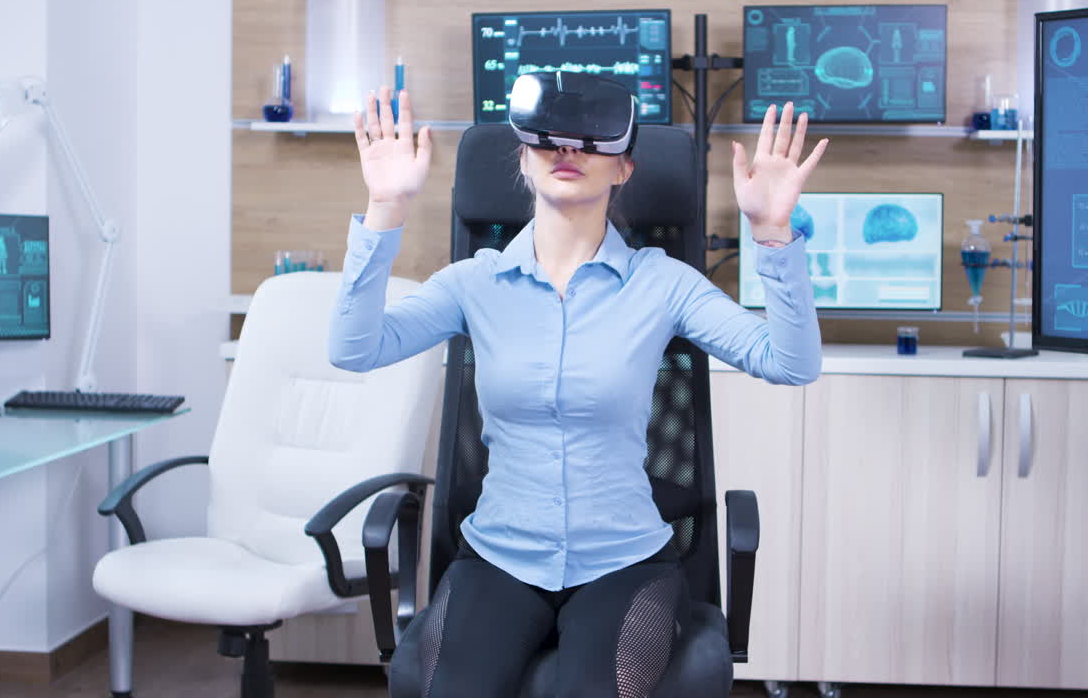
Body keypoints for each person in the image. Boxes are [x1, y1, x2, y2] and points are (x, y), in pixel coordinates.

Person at [329, 76, 827, 698]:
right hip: (499, 557)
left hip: (625, 562)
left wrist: (773, 234)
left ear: (622, 169)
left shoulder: (662, 283)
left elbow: (790, 362)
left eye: (590, 144)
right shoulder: (471, 283)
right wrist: (385, 210)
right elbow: (354, 349)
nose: (568, 152)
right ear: (522, 158)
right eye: (549, 142)